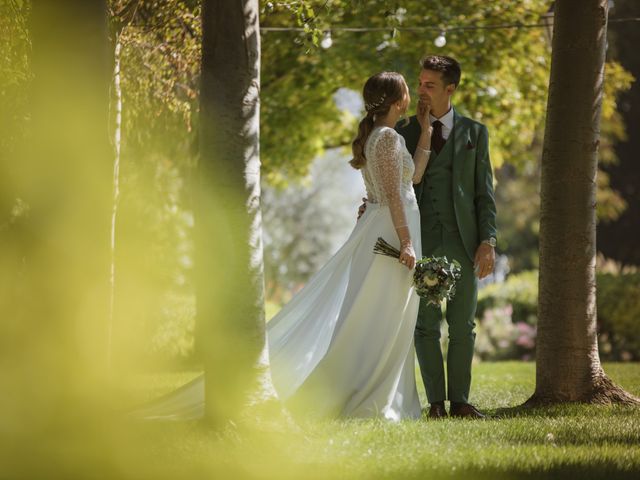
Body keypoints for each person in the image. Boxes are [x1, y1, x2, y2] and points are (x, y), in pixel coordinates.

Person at [134, 72, 433, 421]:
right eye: (408, 91)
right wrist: (407, 241)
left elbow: (412, 179)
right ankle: (360, 392)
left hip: (391, 227)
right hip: (392, 236)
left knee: (389, 315)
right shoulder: (386, 139)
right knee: (376, 315)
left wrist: (425, 133)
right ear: (398, 99)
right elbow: (394, 195)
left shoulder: (387, 138)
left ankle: (381, 392)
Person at [359, 55, 497, 420]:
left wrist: (489, 241)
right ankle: (435, 403)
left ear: (450, 89)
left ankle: (461, 402)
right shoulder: (400, 131)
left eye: (429, 85)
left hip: (464, 242)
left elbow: (485, 194)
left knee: (463, 324)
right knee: (424, 325)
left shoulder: (475, 133)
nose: (420, 90)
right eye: (418, 83)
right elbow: (391, 183)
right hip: (419, 241)